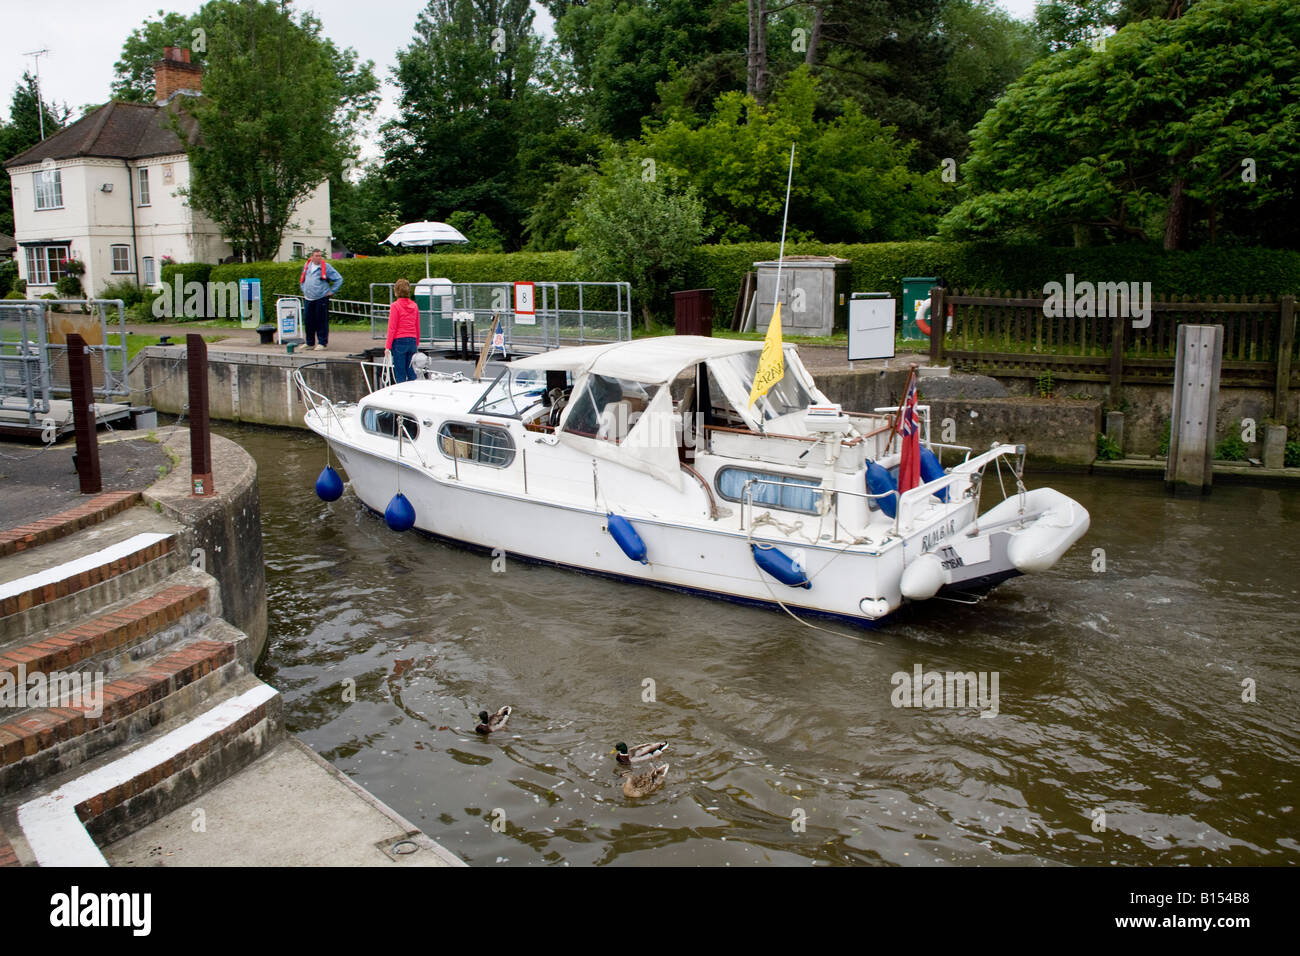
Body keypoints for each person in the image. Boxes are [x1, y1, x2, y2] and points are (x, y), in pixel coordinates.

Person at [299, 248, 343, 350]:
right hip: (308, 298)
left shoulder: (326, 267)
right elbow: (303, 279)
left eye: (320, 256)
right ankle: (309, 342)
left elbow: (339, 279)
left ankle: (322, 342)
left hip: (321, 298)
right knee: (308, 321)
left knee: (321, 320)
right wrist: (304, 289)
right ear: (312, 257)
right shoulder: (307, 266)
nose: (319, 258)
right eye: (316, 256)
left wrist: (331, 291)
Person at [386, 278, 420, 383]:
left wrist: (387, 346)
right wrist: (416, 342)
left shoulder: (395, 306)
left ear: (396, 291)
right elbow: (417, 325)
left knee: (400, 371)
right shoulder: (414, 306)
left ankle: (401, 394)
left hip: (399, 341)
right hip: (412, 341)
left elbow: (392, 327)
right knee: (411, 370)